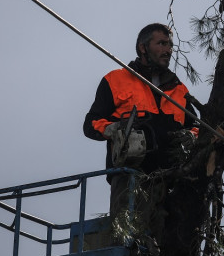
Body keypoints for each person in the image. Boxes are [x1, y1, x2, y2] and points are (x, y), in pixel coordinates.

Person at [83, 23, 198, 243]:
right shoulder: (116, 80)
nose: (168, 50)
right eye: (161, 44)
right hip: (130, 177)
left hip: (171, 181)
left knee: (172, 245)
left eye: (170, 45)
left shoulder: (179, 90)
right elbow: (91, 123)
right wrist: (116, 130)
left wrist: (191, 136)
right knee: (129, 243)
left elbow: (198, 127)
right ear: (143, 48)